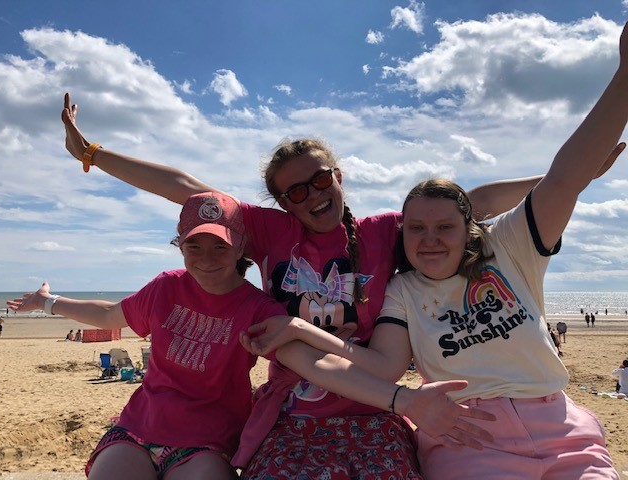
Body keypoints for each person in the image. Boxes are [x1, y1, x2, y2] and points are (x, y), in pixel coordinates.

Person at [59, 91, 545, 478]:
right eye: (295, 191)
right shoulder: (271, 233)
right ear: (283, 204)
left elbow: (466, 205)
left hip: (372, 410)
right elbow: (187, 189)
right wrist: (93, 154)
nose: (312, 195)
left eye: (318, 180)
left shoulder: (381, 232)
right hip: (292, 414)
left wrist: (560, 181)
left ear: (337, 176)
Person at [240, 22, 628, 480]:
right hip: (465, 433)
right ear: (402, 236)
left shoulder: (510, 249)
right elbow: (382, 365)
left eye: (445, 226)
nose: (430, 239)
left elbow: (561, 178)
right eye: (417, 228)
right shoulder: (403, 291)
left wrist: (624, 75)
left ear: (470, 227)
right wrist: (296, 327)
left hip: (560, 430)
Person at [7, 192, 288, 480]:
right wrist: (47, 302)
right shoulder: (166, 286)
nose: (207, 259)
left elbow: (298, 357)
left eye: (220, 246)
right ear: (180, 245)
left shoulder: (257, 308)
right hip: (138, 428)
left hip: (206, 442)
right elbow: (108, 314)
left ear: (240, 246)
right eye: (194, 245)